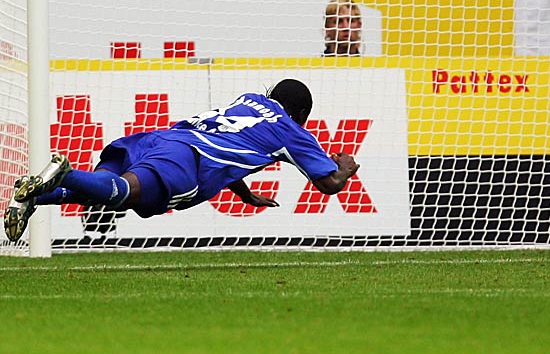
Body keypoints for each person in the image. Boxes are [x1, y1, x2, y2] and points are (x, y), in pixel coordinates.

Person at [4, 79, 361, 242]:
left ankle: (34, 196)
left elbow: (232, 140)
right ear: (300, 114)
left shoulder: (250, 98)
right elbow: (329, 183)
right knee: (122, 195)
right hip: (189, 158)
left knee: (104, 191)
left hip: (160, 138)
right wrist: (346, 166)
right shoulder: (291, 129)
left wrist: (243, 193)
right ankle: (63, 173)